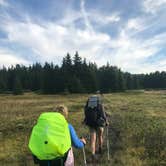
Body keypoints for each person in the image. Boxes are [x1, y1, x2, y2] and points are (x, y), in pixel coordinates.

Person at [84, 95, 108, 161]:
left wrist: (85, 121)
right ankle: (100, 149)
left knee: (93, 140)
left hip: (91, 124)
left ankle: (93, 154)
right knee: (100, 136)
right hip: (99, 124)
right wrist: (106, 122)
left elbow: (86, 116)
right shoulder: (100, 105)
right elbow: (103, 115)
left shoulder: (87, 106)